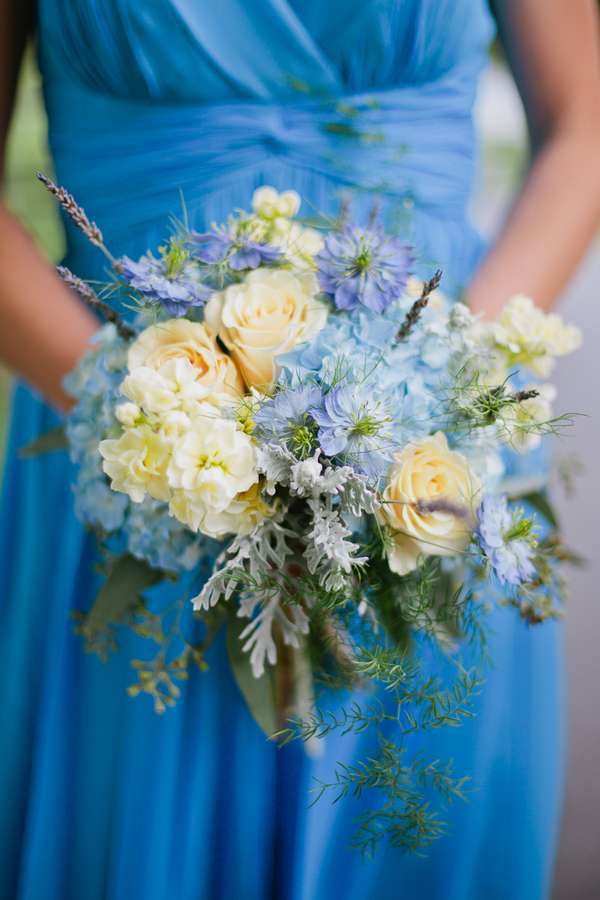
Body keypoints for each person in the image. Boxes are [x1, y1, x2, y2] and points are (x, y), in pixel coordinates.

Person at [1, 2, 599, 898]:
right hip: (121, 463)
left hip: (425, 461)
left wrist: (446, 395)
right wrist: (153, 417)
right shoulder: (136, 428)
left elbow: (585, 126)